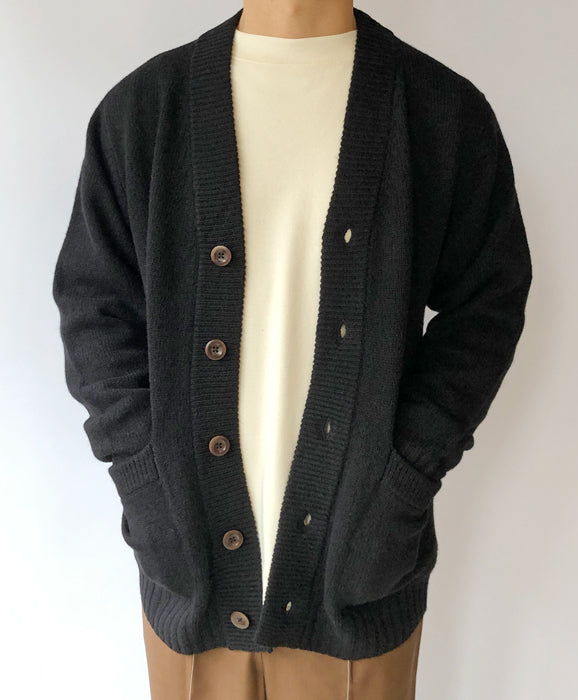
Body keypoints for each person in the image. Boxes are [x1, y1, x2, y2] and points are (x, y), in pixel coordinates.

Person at [52, 1, 532, 698]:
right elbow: (94, 308)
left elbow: (487, 303)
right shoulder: (143, 111)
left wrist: (406, 471)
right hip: (190, 581)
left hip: (357, 587)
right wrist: (144, 477)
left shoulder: (442, 112)